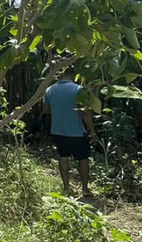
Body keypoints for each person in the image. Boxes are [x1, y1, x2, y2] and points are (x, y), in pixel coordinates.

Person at [43, 67, 98, 197]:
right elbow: (86, 114)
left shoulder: (50, 90)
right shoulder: (79, 90)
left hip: (57, 130)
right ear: (73, 75)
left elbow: (46, 110)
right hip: (76, 131)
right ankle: (85, 189)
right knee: (83, 159)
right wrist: (93, 131)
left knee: (63, 157)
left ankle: (66, 188)